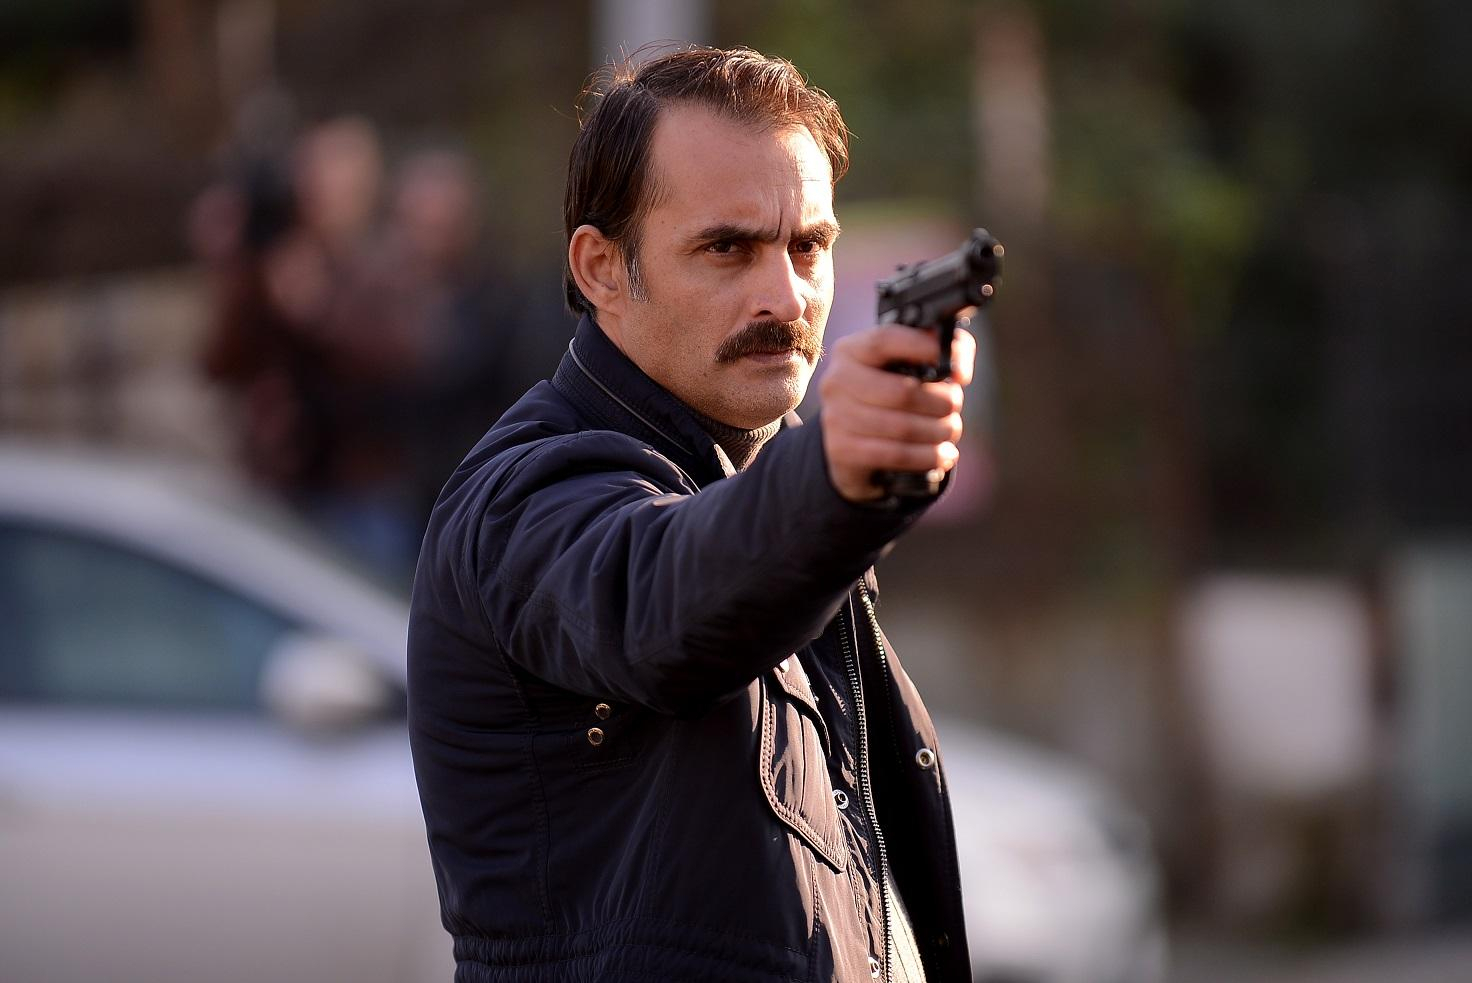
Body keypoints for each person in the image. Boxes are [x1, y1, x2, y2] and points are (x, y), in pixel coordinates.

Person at [409, 46, 980, 983]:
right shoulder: (521, 496)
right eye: (727, 249)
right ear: (601, 268)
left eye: (808, 247)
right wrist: (831, 477)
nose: (785, 297)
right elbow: (661, 597)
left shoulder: (767, 473)